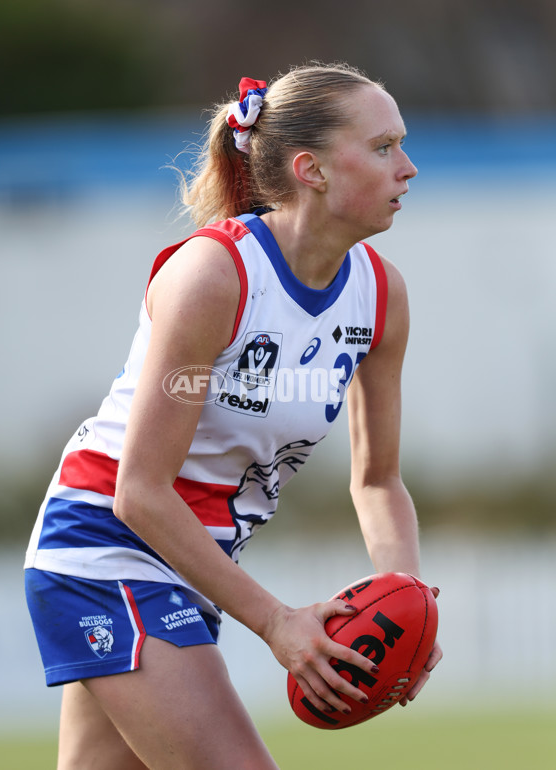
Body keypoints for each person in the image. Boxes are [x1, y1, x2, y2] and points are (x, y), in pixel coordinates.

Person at [25, 61, 442, 769]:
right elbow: (141, 492)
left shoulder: (380, 297)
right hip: (107, 549)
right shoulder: (214, 279)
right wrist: (276, 622)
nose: (406, 168)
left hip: (191, 564)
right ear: (310, 168)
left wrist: (405, 606)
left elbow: (377, 481)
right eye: (382, 147)